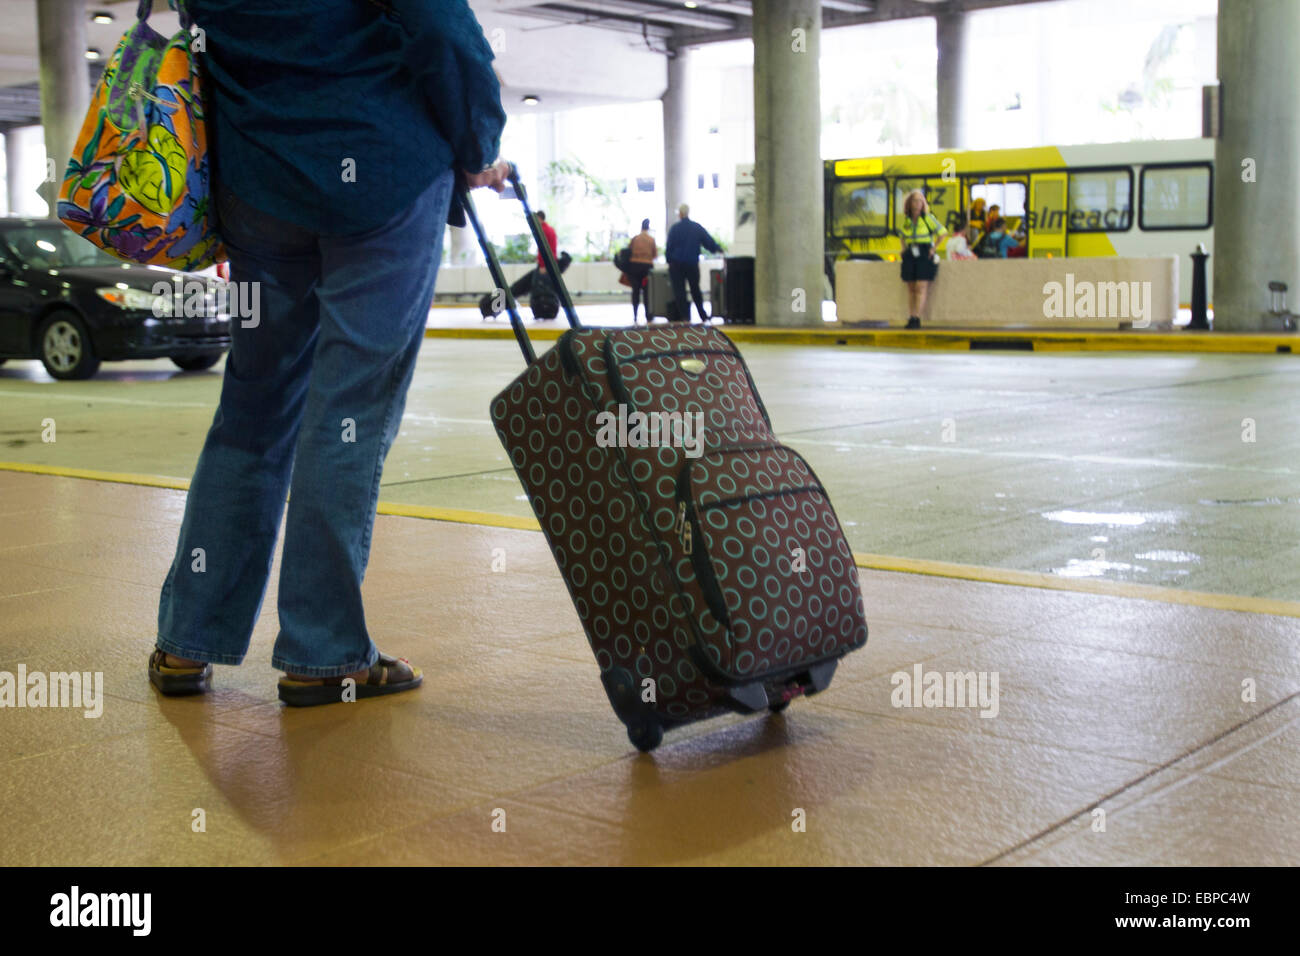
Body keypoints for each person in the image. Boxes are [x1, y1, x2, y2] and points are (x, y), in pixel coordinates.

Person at [148, 0, 509, 706]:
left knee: (252, 406)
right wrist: (476, 145)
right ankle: (320, 650)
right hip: (381, 175)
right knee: (349, 411)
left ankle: (187, 640)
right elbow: (442, 30)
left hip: (257, 188)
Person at [898, 189, 946, 328]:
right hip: (911, 253)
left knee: (921, 286)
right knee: (911, 287)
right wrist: (903, 248)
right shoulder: (907, 220)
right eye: (915, 200)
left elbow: (942, 233)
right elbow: (902, 235)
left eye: (920, 200)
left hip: (924, 252)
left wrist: (933, 248)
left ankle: (917, 317)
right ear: (910, 203)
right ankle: (911, 316)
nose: (917, 203)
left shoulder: (928, 218)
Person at [665, 203, 721, 323]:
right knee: (695, 289)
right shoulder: (696, 227)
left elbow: (669, 248)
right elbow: (708, 242)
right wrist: (718, 249)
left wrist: (669, 261)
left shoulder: (674, 229)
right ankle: (702, 315)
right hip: (692, 264)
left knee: (679, 291)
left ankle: (686, 317)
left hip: (676, 265)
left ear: (680, 214)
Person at [626, 218, 656, 324]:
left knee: (635, 291)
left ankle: (635, 315)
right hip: (646, 268)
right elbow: (654, 255)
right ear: (648, 228)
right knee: (647, 292)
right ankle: (648, 315)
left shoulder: (635, 239)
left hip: (634, 268)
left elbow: (629, 250)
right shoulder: (651, 240)